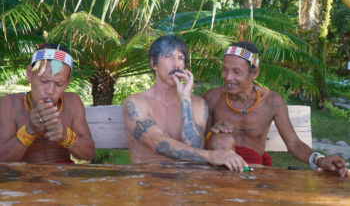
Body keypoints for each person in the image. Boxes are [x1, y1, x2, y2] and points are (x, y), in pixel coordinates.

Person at [204, 41, 349, 177]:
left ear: (254, 73)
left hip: (254, 172)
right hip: (220, 171)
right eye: (224, 70)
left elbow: (294, 144)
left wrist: (320, 160)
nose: (228, 77)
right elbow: (198, 143)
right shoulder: (212, 98)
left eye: (236, 71)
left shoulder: (272, 102)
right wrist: (212, 133)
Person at [123, 35, 248, 171]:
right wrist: (210, 156)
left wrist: (185, 100)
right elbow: (157, 143)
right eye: (169, 56)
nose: (176, 64)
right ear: (154, 63)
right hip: (147, 182)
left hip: (186, 184)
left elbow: (193, 148)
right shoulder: (136, 103)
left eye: (181, 58)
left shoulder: (198, 104)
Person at [0, 44, 95, 163]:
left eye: (59, 84)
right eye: (44, 81)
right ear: (30, 74)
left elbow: (88, 154)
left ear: (67, 82)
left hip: (63, 177)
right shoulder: (11, 104)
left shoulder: (72, 102)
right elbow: (2, 159)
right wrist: (29, 130)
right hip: (24, 177)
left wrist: (65, 135)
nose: (50, 91)